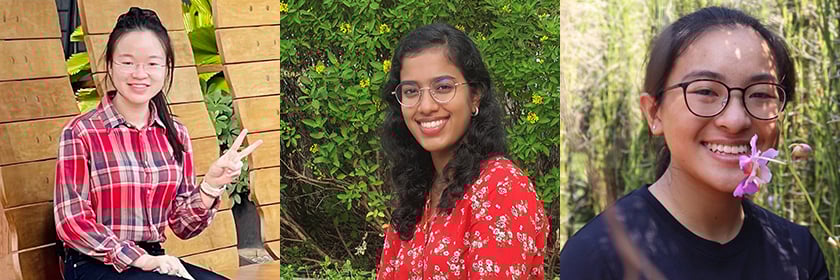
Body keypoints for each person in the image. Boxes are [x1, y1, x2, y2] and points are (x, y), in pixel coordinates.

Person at [559, 6, 829, 280]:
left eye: (760, 94)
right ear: (654, 113)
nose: (735, 120)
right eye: (705, 91)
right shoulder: (595, 259)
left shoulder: (799, 253)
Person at [54, 7, 262, 279]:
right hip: (93, 263)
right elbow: (71, 222)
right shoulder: (81, 132)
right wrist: (138, 259)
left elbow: (183, 226)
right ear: (110, 65)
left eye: (152, 63)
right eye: (127, 62)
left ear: (166, 68)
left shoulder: (175, 134)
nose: (140, 73)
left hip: (154, 260)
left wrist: (211, 186)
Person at [376, 23, 549, 279]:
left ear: (475, 96)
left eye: (443, 87)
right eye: (411, 91)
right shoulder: (419, 191)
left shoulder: (501, 189)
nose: (425, 106)